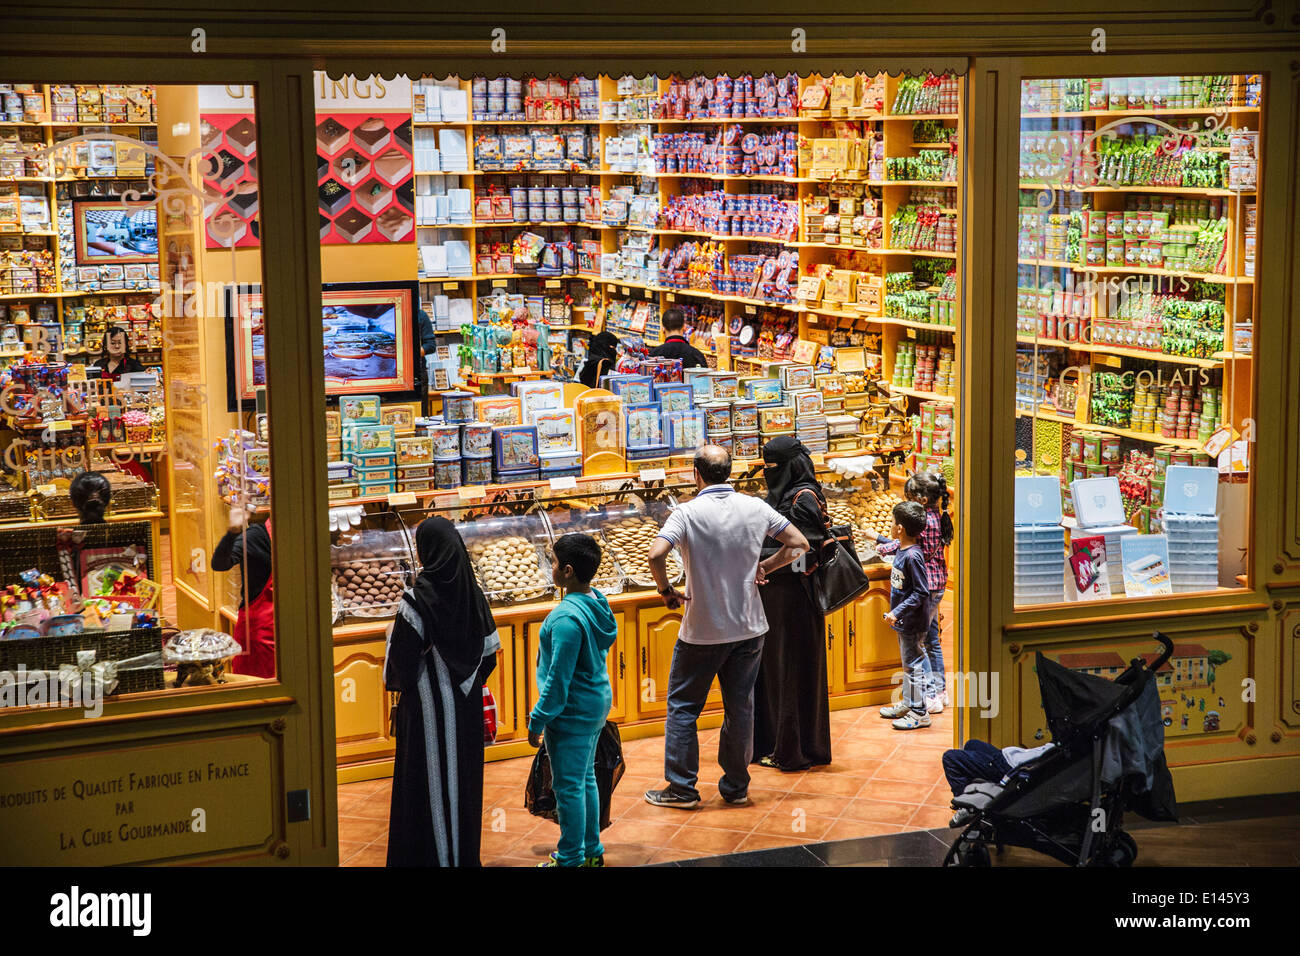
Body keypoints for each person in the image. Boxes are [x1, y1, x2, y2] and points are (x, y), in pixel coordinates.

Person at [643, 445, 810, 809]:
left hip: (701, 631)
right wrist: (766, 565)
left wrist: (665, 590)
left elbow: (656, 554)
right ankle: (736, 787)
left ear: (696, 474)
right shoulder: (756, 507)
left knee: (684, 707)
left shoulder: (685, 513)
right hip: (750, 628)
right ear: (729, 473)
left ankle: (682, 789)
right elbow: (799, 543)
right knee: (741, 707)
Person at [384, 516, 500, 867]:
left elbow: (400, 665)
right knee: (463, 784)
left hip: (424, 714)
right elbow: (490, 654)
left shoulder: (417, 600)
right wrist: (465, 683)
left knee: (426, 785)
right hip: (465, 711)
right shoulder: (475, 595)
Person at [527, 533, 619, 867]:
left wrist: (538, 719)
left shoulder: (565, 619)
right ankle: (592, 852)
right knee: (586, 779)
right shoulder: (597, 601)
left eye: (552, 561)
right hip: (596, 701)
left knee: (568, 789)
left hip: (572, 712)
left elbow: (557, 681)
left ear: (567, 571)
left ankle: (569, 859)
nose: (549, 565)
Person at [752, 436, 832, 772]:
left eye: (772, 466)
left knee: (789, 671)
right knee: (778, 670)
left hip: (793, 600)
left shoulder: (802, 498)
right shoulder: (792, 493)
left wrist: (764, 564)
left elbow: (804, 551)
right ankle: (780, 744)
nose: (768, 472)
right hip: (781, 598)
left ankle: (792, 750)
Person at [876, 472, 952, 714]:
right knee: (932, 640)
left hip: (925, 587)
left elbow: (905, 545)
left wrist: (880, 544)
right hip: (937, 583)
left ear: (920, 500)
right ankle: (939, 691)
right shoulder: (937, 517)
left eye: (909, 498)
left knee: (919, 644)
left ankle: (928, 696)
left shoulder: (924, 522)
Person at [879, 500, 932, 730]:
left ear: (899, 528)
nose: (890, 525)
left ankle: (920, 713)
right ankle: (910, 704)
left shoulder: (912, 556)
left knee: (914, 666)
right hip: (904, 620)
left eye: (892, 522)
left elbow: (922, 591)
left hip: (911, 621)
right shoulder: (903, 549)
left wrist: (896, 611)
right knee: (909, 665)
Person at [211, 506, 276, 679]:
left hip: (294, 631)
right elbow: (219, 564)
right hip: (258, 637)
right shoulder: (257, 536)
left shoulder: (305, 535)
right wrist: (232, 532)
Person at [943, 740, 1055, 826]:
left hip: (1008, 768)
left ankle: (964, 806)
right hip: (1007, 756)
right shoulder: (1062, 748)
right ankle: (974, 799)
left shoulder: (1059, 757)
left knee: (950, 758)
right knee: (971, 744)